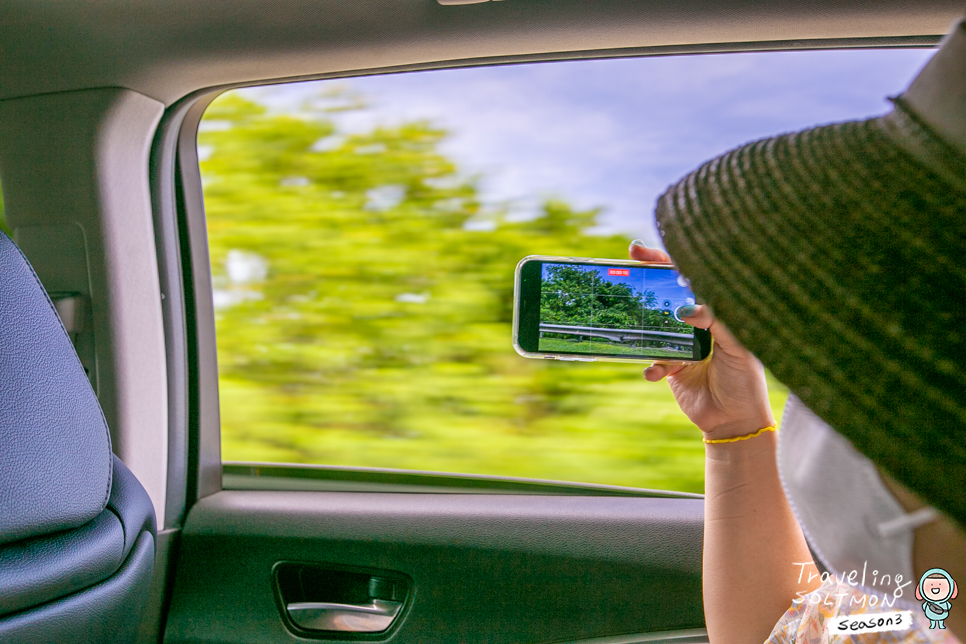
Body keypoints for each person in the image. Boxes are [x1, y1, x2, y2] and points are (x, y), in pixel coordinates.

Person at [630, 14, 966, 644]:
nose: (818, 389)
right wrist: (736, 429)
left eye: (883, 361)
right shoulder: (926, 616)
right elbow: (784, 630)